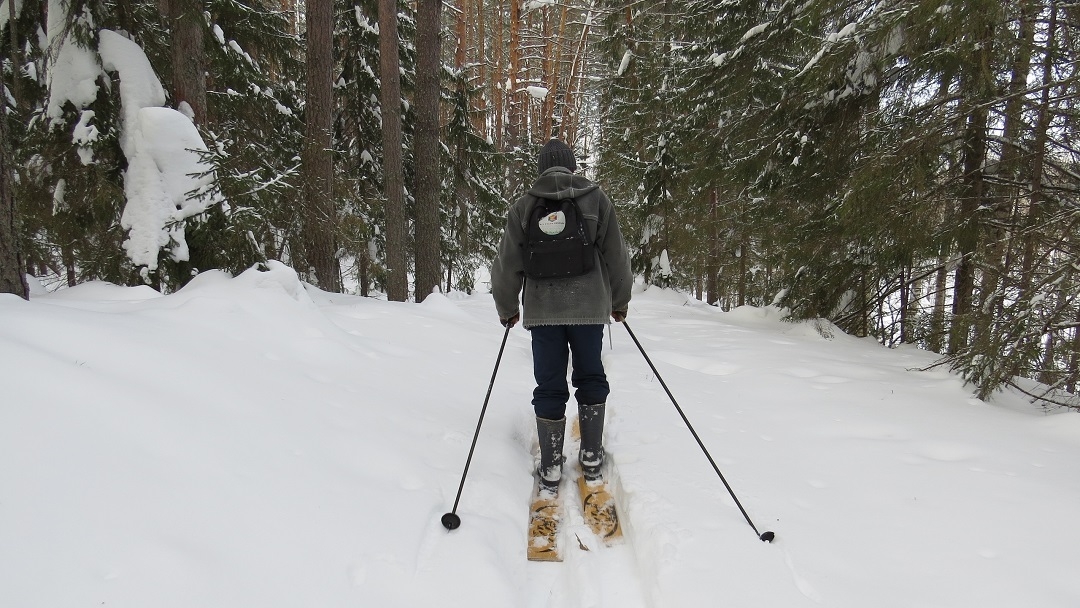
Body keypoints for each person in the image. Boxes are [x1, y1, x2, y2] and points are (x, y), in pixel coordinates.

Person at [490, 139, 633, 495]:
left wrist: (508, 308)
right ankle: (590, 455)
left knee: (550, 384)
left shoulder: (523, 207)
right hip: (588, 309)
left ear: (541, 169)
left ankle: (552, 466)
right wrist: (619, 301)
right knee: (590, 375)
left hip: (543, 313)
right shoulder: (596, 200)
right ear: (572, 168)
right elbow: (617, 255)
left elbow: (507, 263)